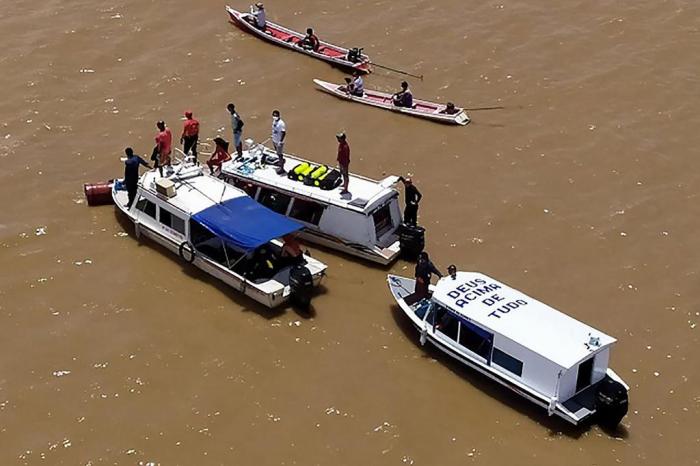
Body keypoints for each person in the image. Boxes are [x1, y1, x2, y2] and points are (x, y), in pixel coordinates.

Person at [267, 109, 286, 174]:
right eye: (274, 115)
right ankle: (280, 162)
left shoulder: (281, 123)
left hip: (279, 142)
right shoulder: (274, 121)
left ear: (279, 115)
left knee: (280, 154)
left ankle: (282, 168)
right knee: (277, 153)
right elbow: (274, 129)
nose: (275, 116)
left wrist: (280, 141)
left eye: (276, 115)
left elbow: (283, 133)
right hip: (274, 140)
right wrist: (272, 135)